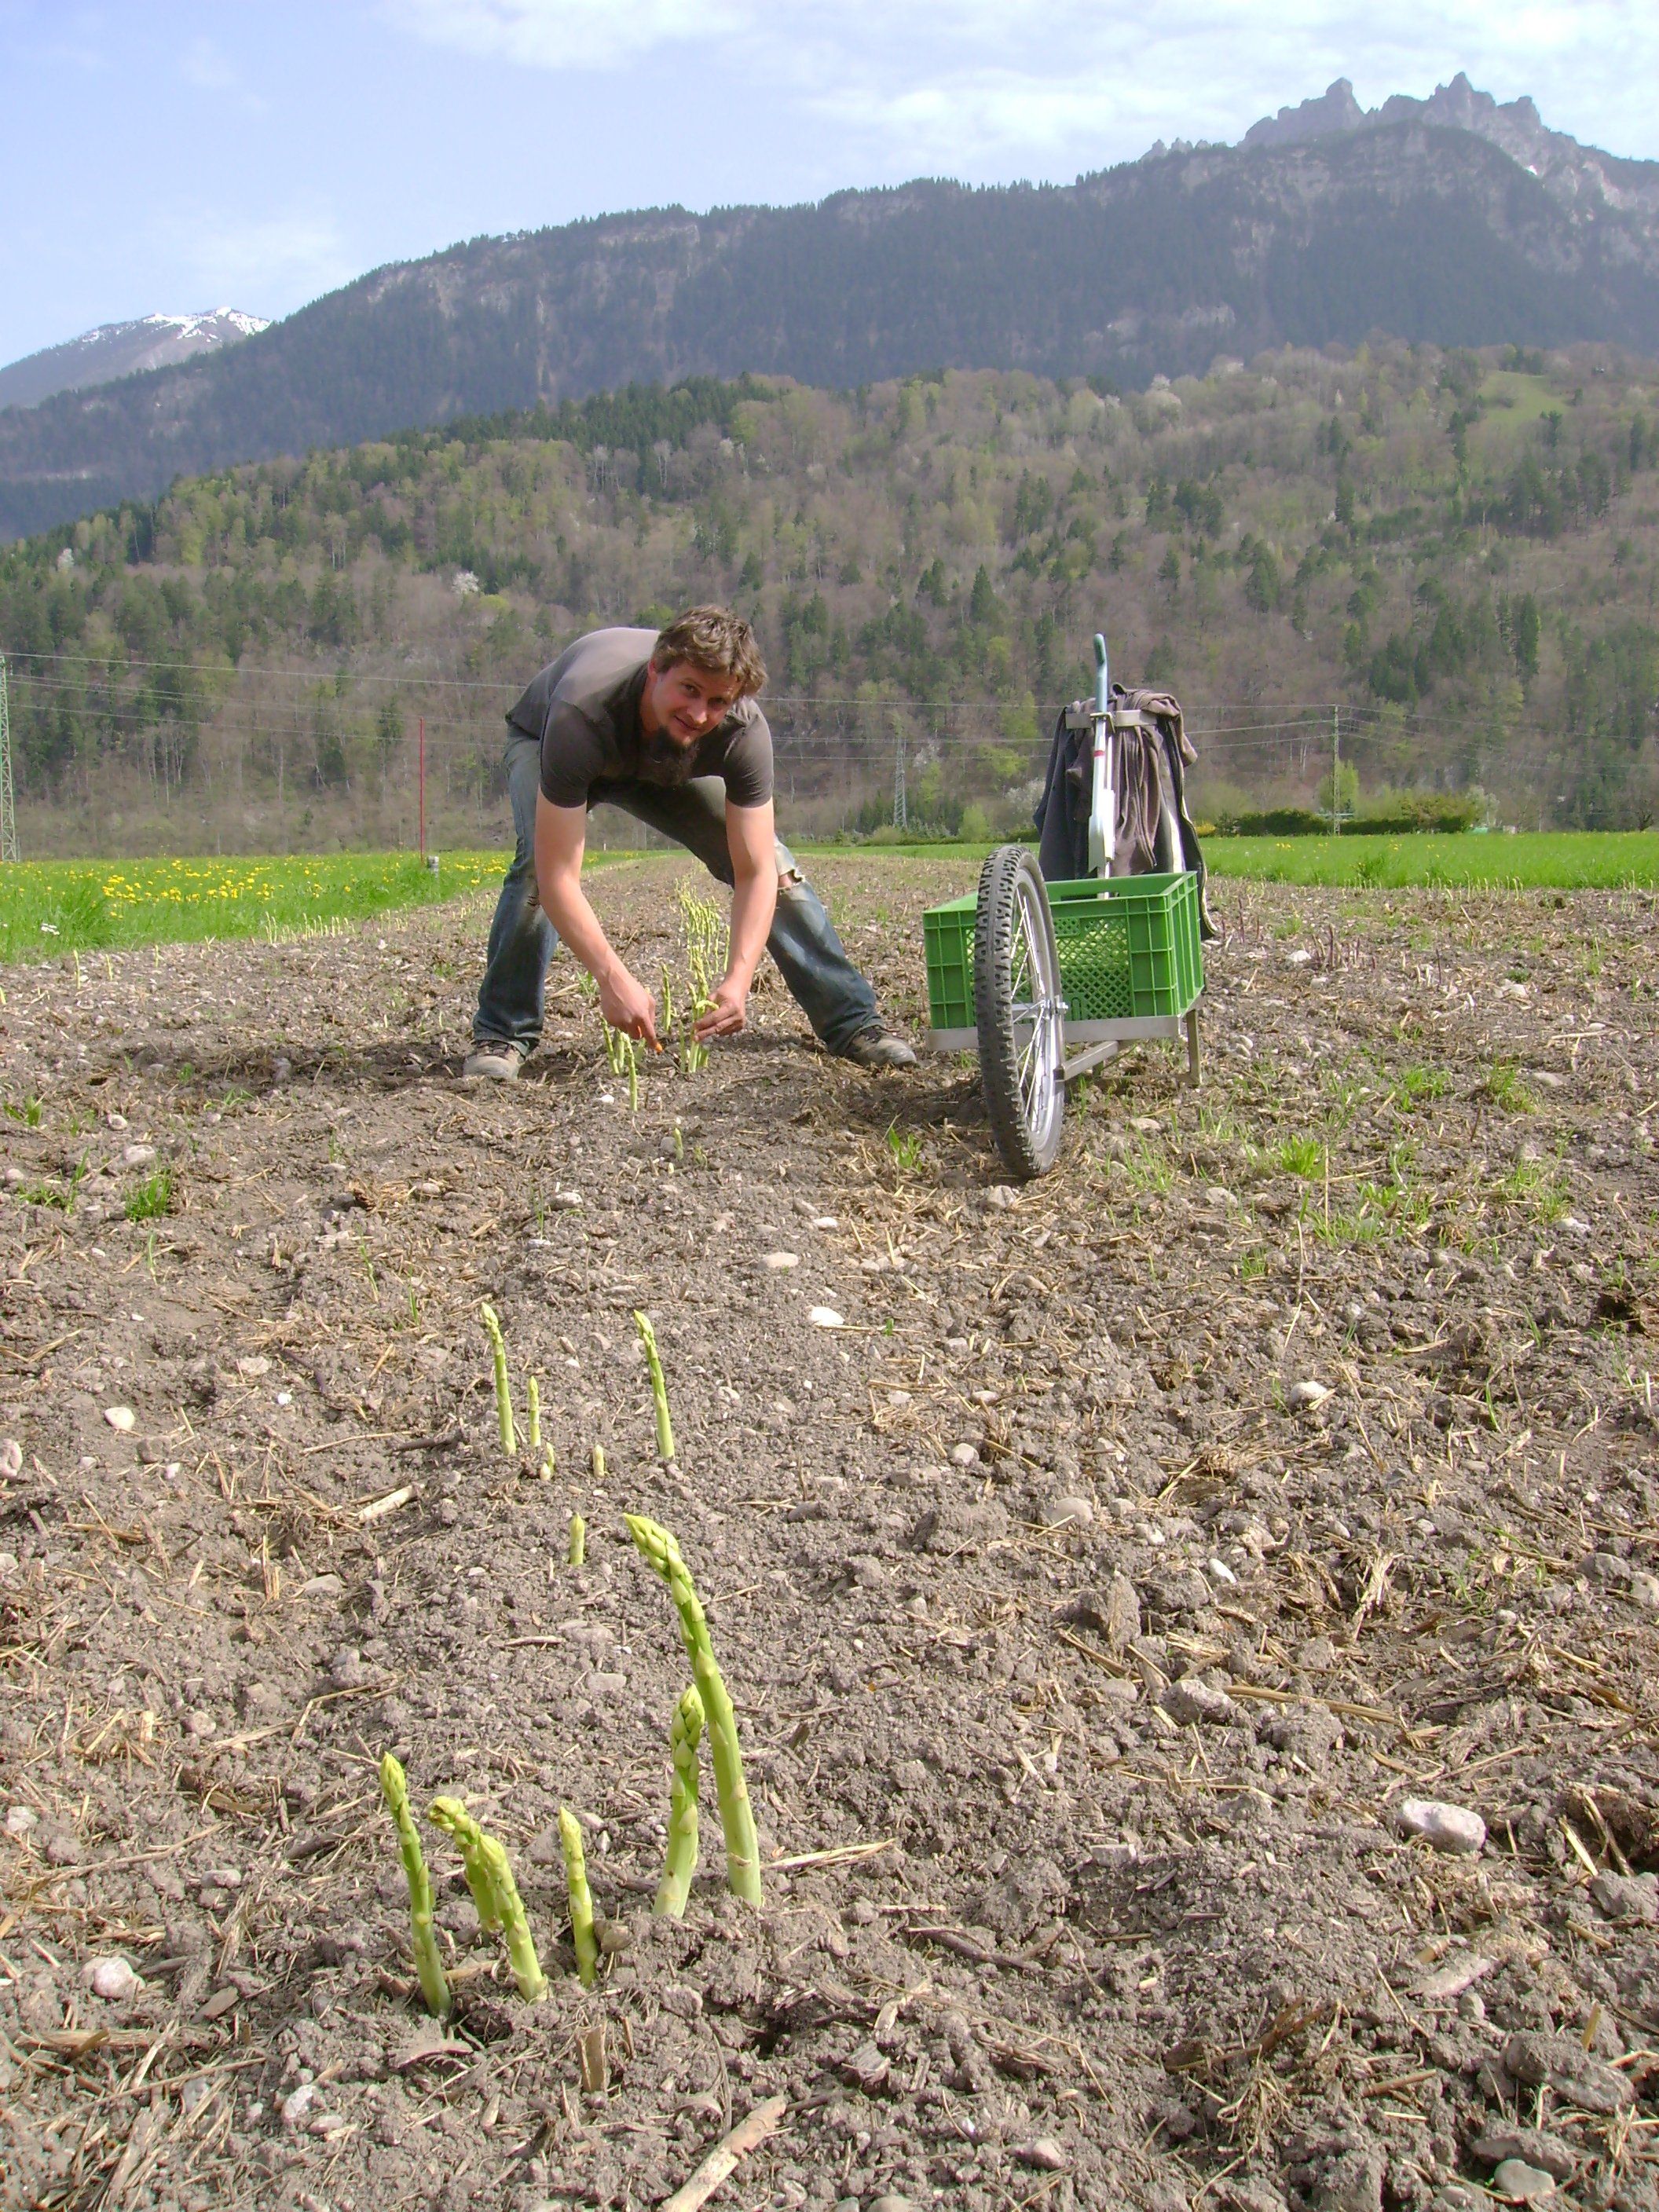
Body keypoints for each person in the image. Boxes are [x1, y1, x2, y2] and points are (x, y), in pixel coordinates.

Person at [465, 607, 917, 1077]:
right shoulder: (581, 715)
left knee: (777, 866)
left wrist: (739, 980)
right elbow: (559, 874)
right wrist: (611, 977)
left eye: (718, 701)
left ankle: (854, 1023)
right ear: (655, 670)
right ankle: (502, 1033)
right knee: (536, 873)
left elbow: (756, 871)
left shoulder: (742, 732)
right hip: (551, 741)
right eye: (689, 690)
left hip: (669, 761)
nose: (700, 714)